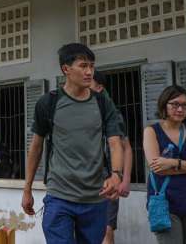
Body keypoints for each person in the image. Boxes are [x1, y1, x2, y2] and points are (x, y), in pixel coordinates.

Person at [21, 43, 125, 244]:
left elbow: (115, 143)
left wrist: (116, 174)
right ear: (66, 69)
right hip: (60, 197)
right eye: (83, 66)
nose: (89, 72)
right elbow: (36, 147)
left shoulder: (103, 103)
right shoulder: (48, 103)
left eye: (92, 66)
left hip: (95, 199)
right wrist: (27, 189)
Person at [143, 85, 186, 244]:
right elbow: (157, 168)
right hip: (165, 204)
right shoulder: (151, 131)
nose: (180, 109)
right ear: (164, 105)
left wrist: (172, 162)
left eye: (184, 105)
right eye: (175, 104)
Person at [91, 71, 134, 244]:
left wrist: (125, 180)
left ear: (99, 88)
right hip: (83, 180)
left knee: (106, 230)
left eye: (89, 82)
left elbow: (127, 149)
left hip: (109, 179)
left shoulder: (112, 114)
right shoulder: (76, 112)